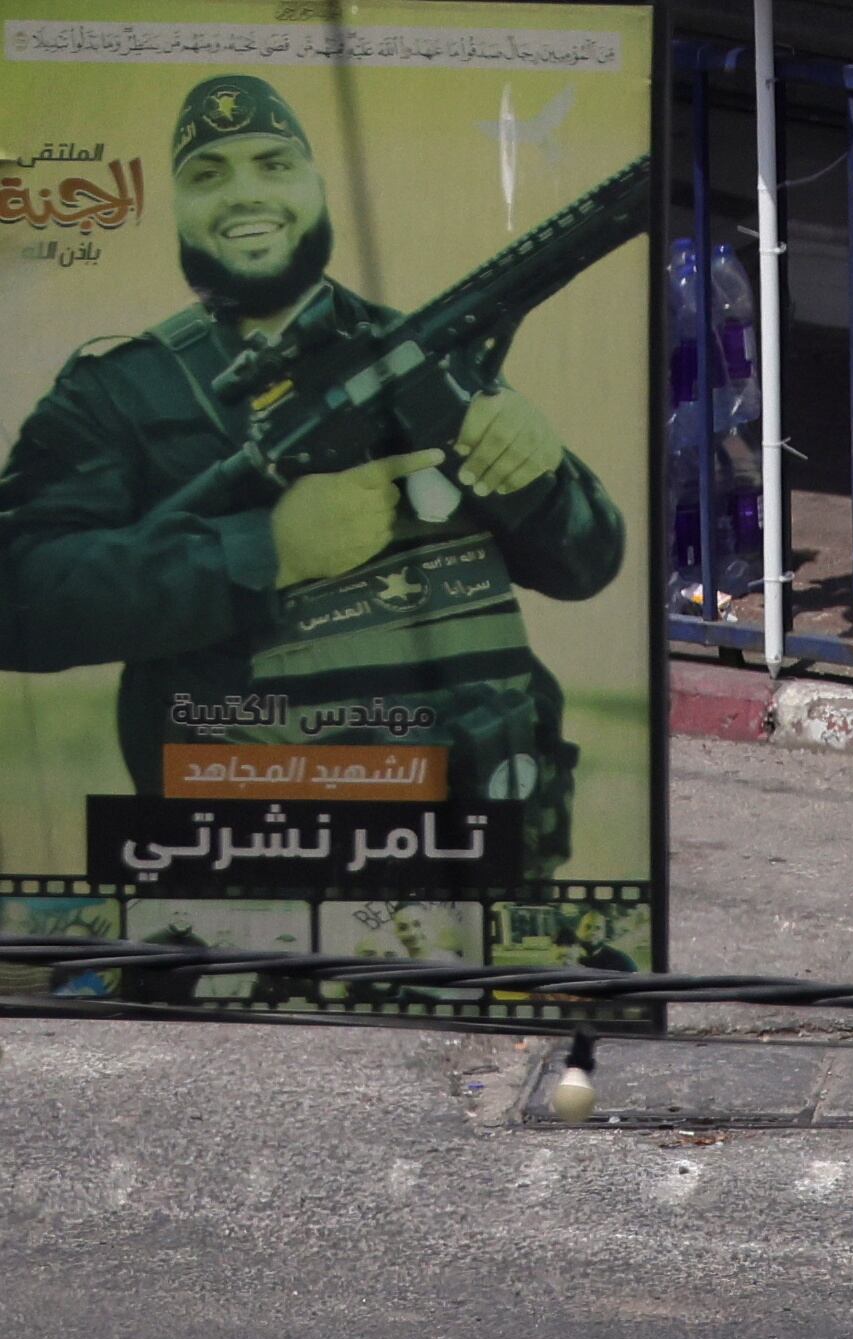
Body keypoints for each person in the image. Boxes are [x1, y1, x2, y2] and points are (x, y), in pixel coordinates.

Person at [0, 71, 625, 882]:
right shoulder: (118, 393)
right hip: (249, 847)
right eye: (208, 174)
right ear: (177, 206)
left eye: (273, 163)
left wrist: (534, 467)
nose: (244, 194)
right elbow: (19, 593)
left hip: (471, 829)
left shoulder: (418, 349)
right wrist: (269, 549)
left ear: (316, 185)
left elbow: (586, 561)